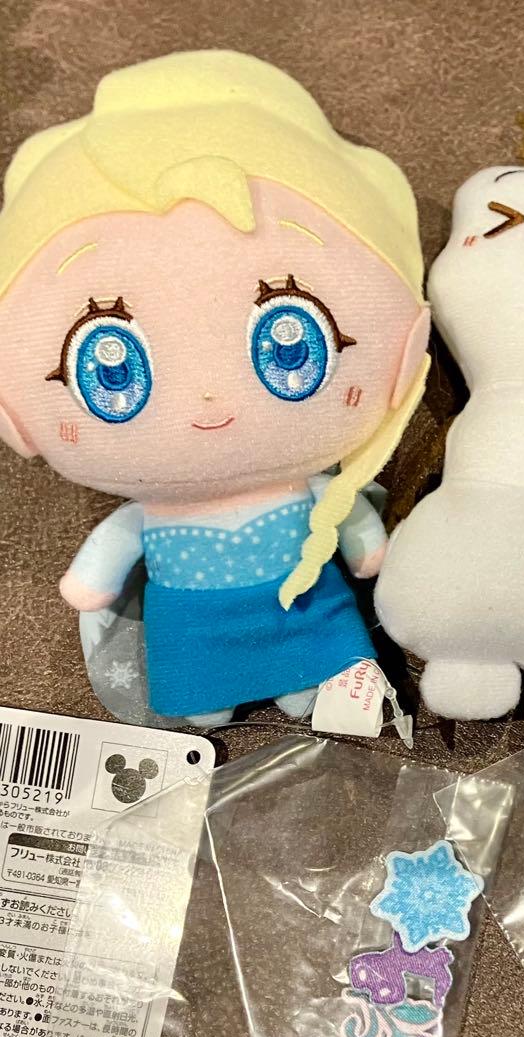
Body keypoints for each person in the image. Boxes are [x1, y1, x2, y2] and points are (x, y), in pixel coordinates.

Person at [0, 51, 430, 721]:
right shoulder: (152, 511)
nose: (208, 405)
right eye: (112, 369)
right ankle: (210, 693)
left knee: (307, 668)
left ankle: (293, 681)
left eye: (291, 345)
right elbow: (107, 558)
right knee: (200, 689)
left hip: (303, 608)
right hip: (195, 628)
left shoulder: (312, 492)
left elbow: (350, 525)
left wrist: (365, 543)